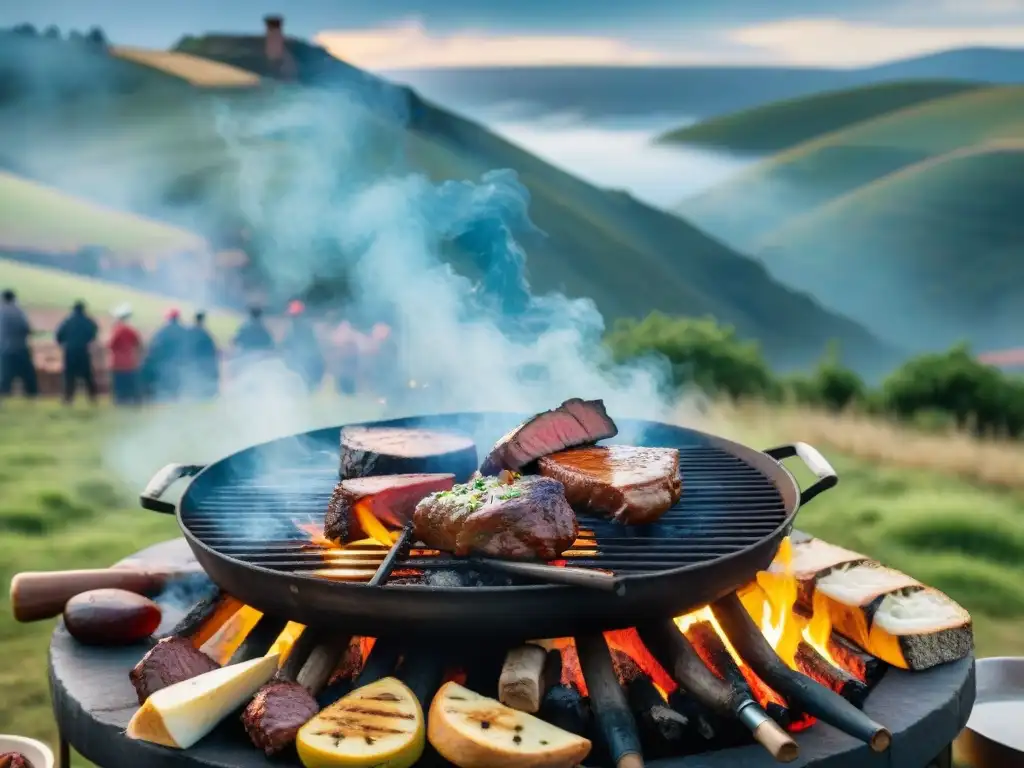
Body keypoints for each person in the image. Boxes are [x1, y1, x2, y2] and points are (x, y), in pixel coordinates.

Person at [55, 300, 99, 404]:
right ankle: (92, 398)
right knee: (87, 376)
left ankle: (68, 398)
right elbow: (94, 332)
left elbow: (58, 335)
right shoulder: (88, 321)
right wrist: (87, 341)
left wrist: (64, 344)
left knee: (69, 376)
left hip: (70, 351)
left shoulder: (68, 321)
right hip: (83, 350)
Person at [142, 308, 188, 402]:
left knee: (165, 389)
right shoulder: (184, 331)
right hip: (180, 364)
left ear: (168, 318)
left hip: (165, 364)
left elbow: (154, 348)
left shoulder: (162, 331)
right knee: (176, 388)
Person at [0, 289, 38, 398]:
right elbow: (27, 329)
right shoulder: (20, 312)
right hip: (21, 348)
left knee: (5, 378)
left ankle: (3, 399)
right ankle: (32, 397)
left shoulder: (1, 311)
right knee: (28, 378)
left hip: (5, 349)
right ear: (13, 298)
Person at [280, 300, 324, 393]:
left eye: (295, 316)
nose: (293, 319)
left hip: (307, 366)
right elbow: (286, 346)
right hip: (296, 367)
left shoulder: (306, 329)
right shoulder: (291, 330)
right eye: (292, 316)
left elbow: (313, 350)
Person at [107, 303, 143, 406]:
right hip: (130, 363)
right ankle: (135, 402)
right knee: (131, 385)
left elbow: (110, 344)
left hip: (118, 363)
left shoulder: (117, 330)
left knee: (119, 386)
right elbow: (138, 344)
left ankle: (121, 402)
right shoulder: (131, 330)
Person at [183, 310, 220, 400]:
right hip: (200, 363)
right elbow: (212, 352)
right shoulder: (206, 334)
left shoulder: (189, 332)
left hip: (191, 362)